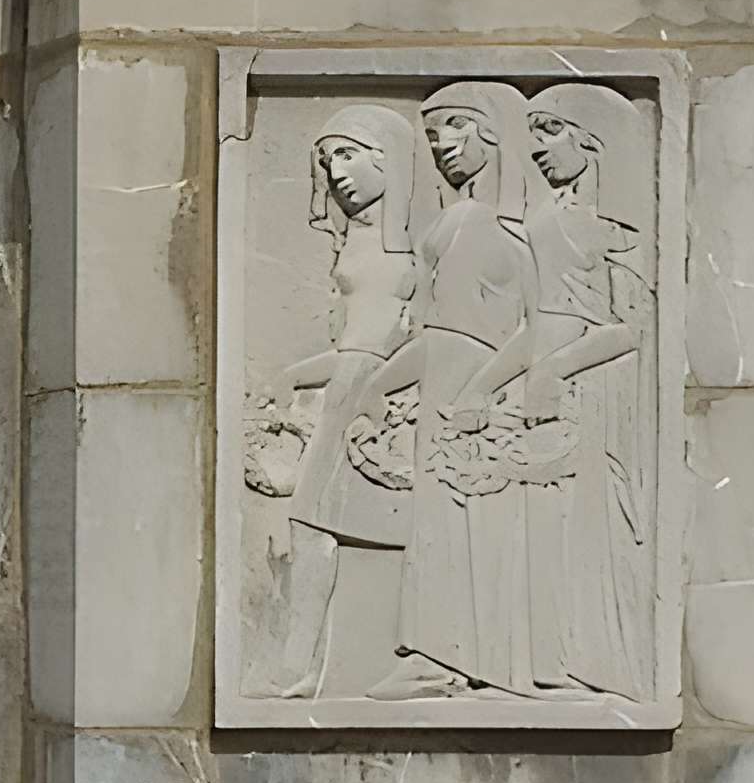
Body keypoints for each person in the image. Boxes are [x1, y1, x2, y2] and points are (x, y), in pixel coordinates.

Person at [448, 82, 653, 700]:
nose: (537, 147)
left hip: (590, 400)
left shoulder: (615, 228)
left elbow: (632, 327)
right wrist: (482, 386)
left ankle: (600, 671)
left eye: (551, 132)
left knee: (587, 536)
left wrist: (554, 372)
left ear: (591, 142)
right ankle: (541, 672)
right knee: (533, 540)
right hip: (539, 403)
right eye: (532, 133)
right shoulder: (546, 220)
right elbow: (534, 322)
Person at [361, 81, 542, 700]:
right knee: (460, 524)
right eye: (433, 135)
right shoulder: (491, 223)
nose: (441, 145)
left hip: (461, 385)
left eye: (455, 128)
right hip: (469, 383)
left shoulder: (471, 221)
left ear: (494, 133)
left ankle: (440, 657)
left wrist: (384, 383)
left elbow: (453, 329)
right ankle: (464, 658)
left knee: (450, 521)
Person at [250, 105, 421, 700]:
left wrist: (390, 385)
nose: (336, 172)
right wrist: (297, 375)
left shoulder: (423, 239)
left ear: (388, 159)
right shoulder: (357, 240)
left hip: (391, 397)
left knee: (410, 528)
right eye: (326, 159)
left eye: (348, 154)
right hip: (351, 386)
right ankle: (299, 665)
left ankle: (430, 658)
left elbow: (426, 333)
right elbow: (354, 342)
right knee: (311, 527)